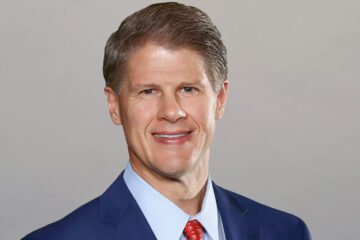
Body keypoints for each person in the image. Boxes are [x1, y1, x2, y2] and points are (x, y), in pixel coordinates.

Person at [23, 2, 311, 240]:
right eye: (148, 91)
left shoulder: (286, 232)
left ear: (220, 99)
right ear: (114, 105)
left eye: (188, 89)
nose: (171, 112)